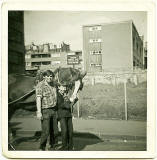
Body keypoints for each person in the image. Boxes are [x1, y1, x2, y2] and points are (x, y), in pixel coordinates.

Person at [35, 70, 58, 151]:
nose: (49, 78)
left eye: (51, 76)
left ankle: (52, 146)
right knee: (46, 131)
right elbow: (38, 99)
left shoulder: (54, 84)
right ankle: (42, 147)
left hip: (54, 110)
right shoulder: (40, 85)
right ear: (44, 76)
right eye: (48, 76)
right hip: (45, 111)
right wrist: (39, 112)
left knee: (55, 131)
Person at [57, 85, 75, 151]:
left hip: (68, 115)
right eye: (62, 87)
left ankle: (70, 147)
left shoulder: (66, 94)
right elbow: (61, 105)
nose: (64, 88)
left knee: (70, 131)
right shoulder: (57, 95)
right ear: (59, 87)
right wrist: (69, 101)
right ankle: (64, 146)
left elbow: (71, 104)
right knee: (64, 131)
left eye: (65, 87)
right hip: (62, 115)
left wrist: (73, 100)